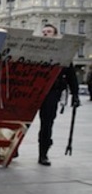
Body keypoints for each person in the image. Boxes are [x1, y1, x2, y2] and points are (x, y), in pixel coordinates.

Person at [37, 24, 79, 166]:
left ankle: (43, 153)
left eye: (48, 32)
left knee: (47, 123)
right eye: (43, 32)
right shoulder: (35, 50)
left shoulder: (63, 53)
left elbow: (71, 75)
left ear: (55, 35)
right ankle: (14, 148)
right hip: (34, 90)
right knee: (22, 122)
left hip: (51, 91)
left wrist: (75, 94)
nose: (45, 34)